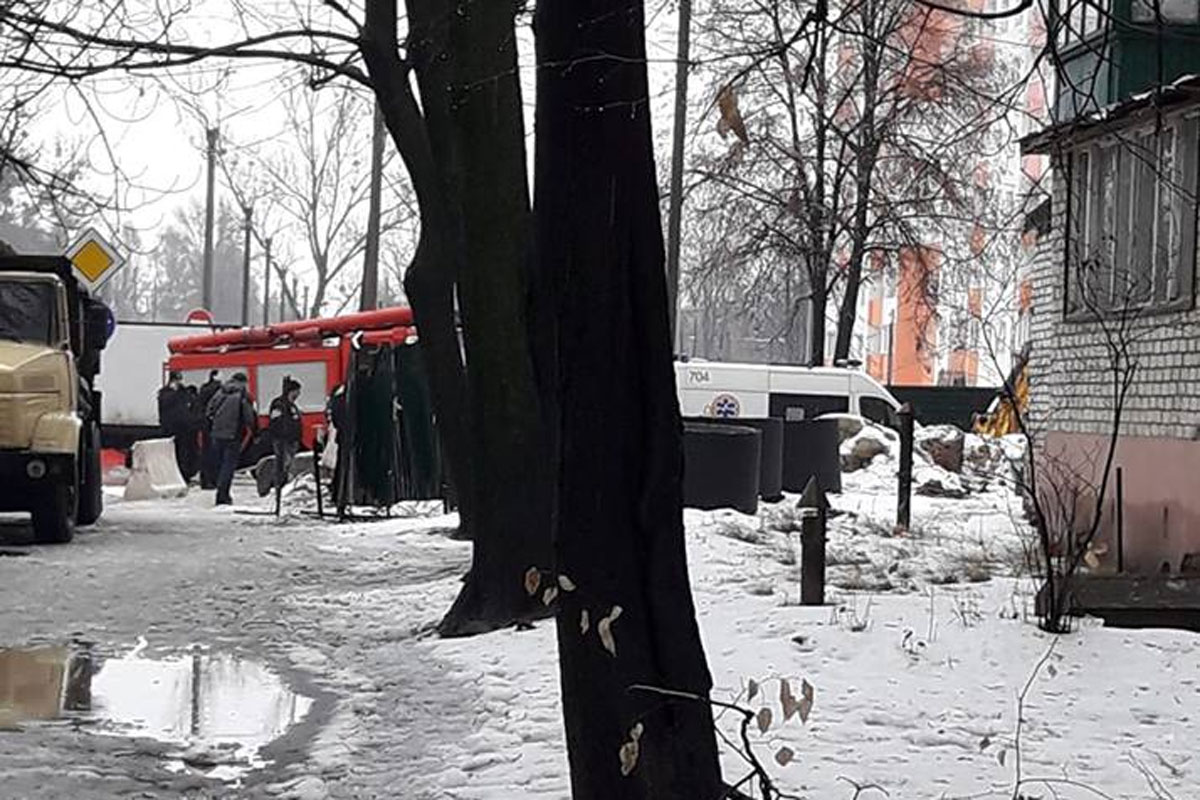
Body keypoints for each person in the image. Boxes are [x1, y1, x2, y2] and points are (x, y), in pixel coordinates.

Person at [206, 372, 257, 506]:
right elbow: (249, 417)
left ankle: (220, 491)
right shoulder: (243, 395)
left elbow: (209, 410)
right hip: (233, 434)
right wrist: (254, 430)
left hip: (217, 434)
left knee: (221, 464)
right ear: (243, 382)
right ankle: (222, 496)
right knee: (228, 466)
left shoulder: (220, 392)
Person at [157, 372, 197, 480]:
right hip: (170, 427)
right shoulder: (165, 393)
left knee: (184, 451)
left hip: (184, 427)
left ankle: (185, 473)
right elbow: (164, 405)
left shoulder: (183, 392)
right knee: (173, 452)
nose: (179, 382)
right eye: (177, 380)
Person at [268, 376, 303, 491]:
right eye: (297, 391)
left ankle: (284, 485)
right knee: (282, 464)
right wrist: (283, 435)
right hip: (283, 440)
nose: (299, 394)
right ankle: (279, 485)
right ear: (292, 391)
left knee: (288, 465)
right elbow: (276, 421)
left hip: (292, 440)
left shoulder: (292, 405)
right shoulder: (279, 404)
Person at [197, 370, 222, 489]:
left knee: (205, 453)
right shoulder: (219, 390)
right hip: (215, 426)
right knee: (215, 454)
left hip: (204, 425)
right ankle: (213, 480)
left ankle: (205, 480)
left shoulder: (203, 389)